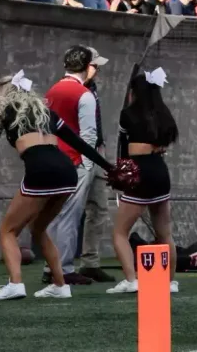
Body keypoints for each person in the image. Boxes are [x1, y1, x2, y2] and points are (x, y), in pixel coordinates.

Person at [0, 72, 116, 300]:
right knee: (38, 228)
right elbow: (79, 143)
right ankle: (60, 285)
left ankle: (15, 284)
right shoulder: (46, 112)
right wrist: (109, 167)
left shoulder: (4, 112)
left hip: (42, 171)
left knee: (7, 230)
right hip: (67, 172)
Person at [107, 67, 179, 295]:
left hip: (139, 172)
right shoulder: (164, 114)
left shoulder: (128, 114)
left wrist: (120, 174)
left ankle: (131, 279)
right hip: (160, 171)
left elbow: (122, 148)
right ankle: (169, 282)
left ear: (135, 92)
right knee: (165, 232)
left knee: (120, 232)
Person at [40, 46, 104, 286]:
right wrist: (88, 167)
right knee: (69, 216)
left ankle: (52, 266)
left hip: (54, 158)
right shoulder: (83, 94)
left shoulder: (53, 90)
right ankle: (64, 268)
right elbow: (88, 136)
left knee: (55, 215)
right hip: (75, 161)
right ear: (86, 66)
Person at [79, 48, 116, 283]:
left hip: (96, 151)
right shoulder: (74, 89)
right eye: (94, 65)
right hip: (79, 153)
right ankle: (55, 267)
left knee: (99, 208)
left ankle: (90, 262)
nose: (97, 69)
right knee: (69, 210)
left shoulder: (91, 88)